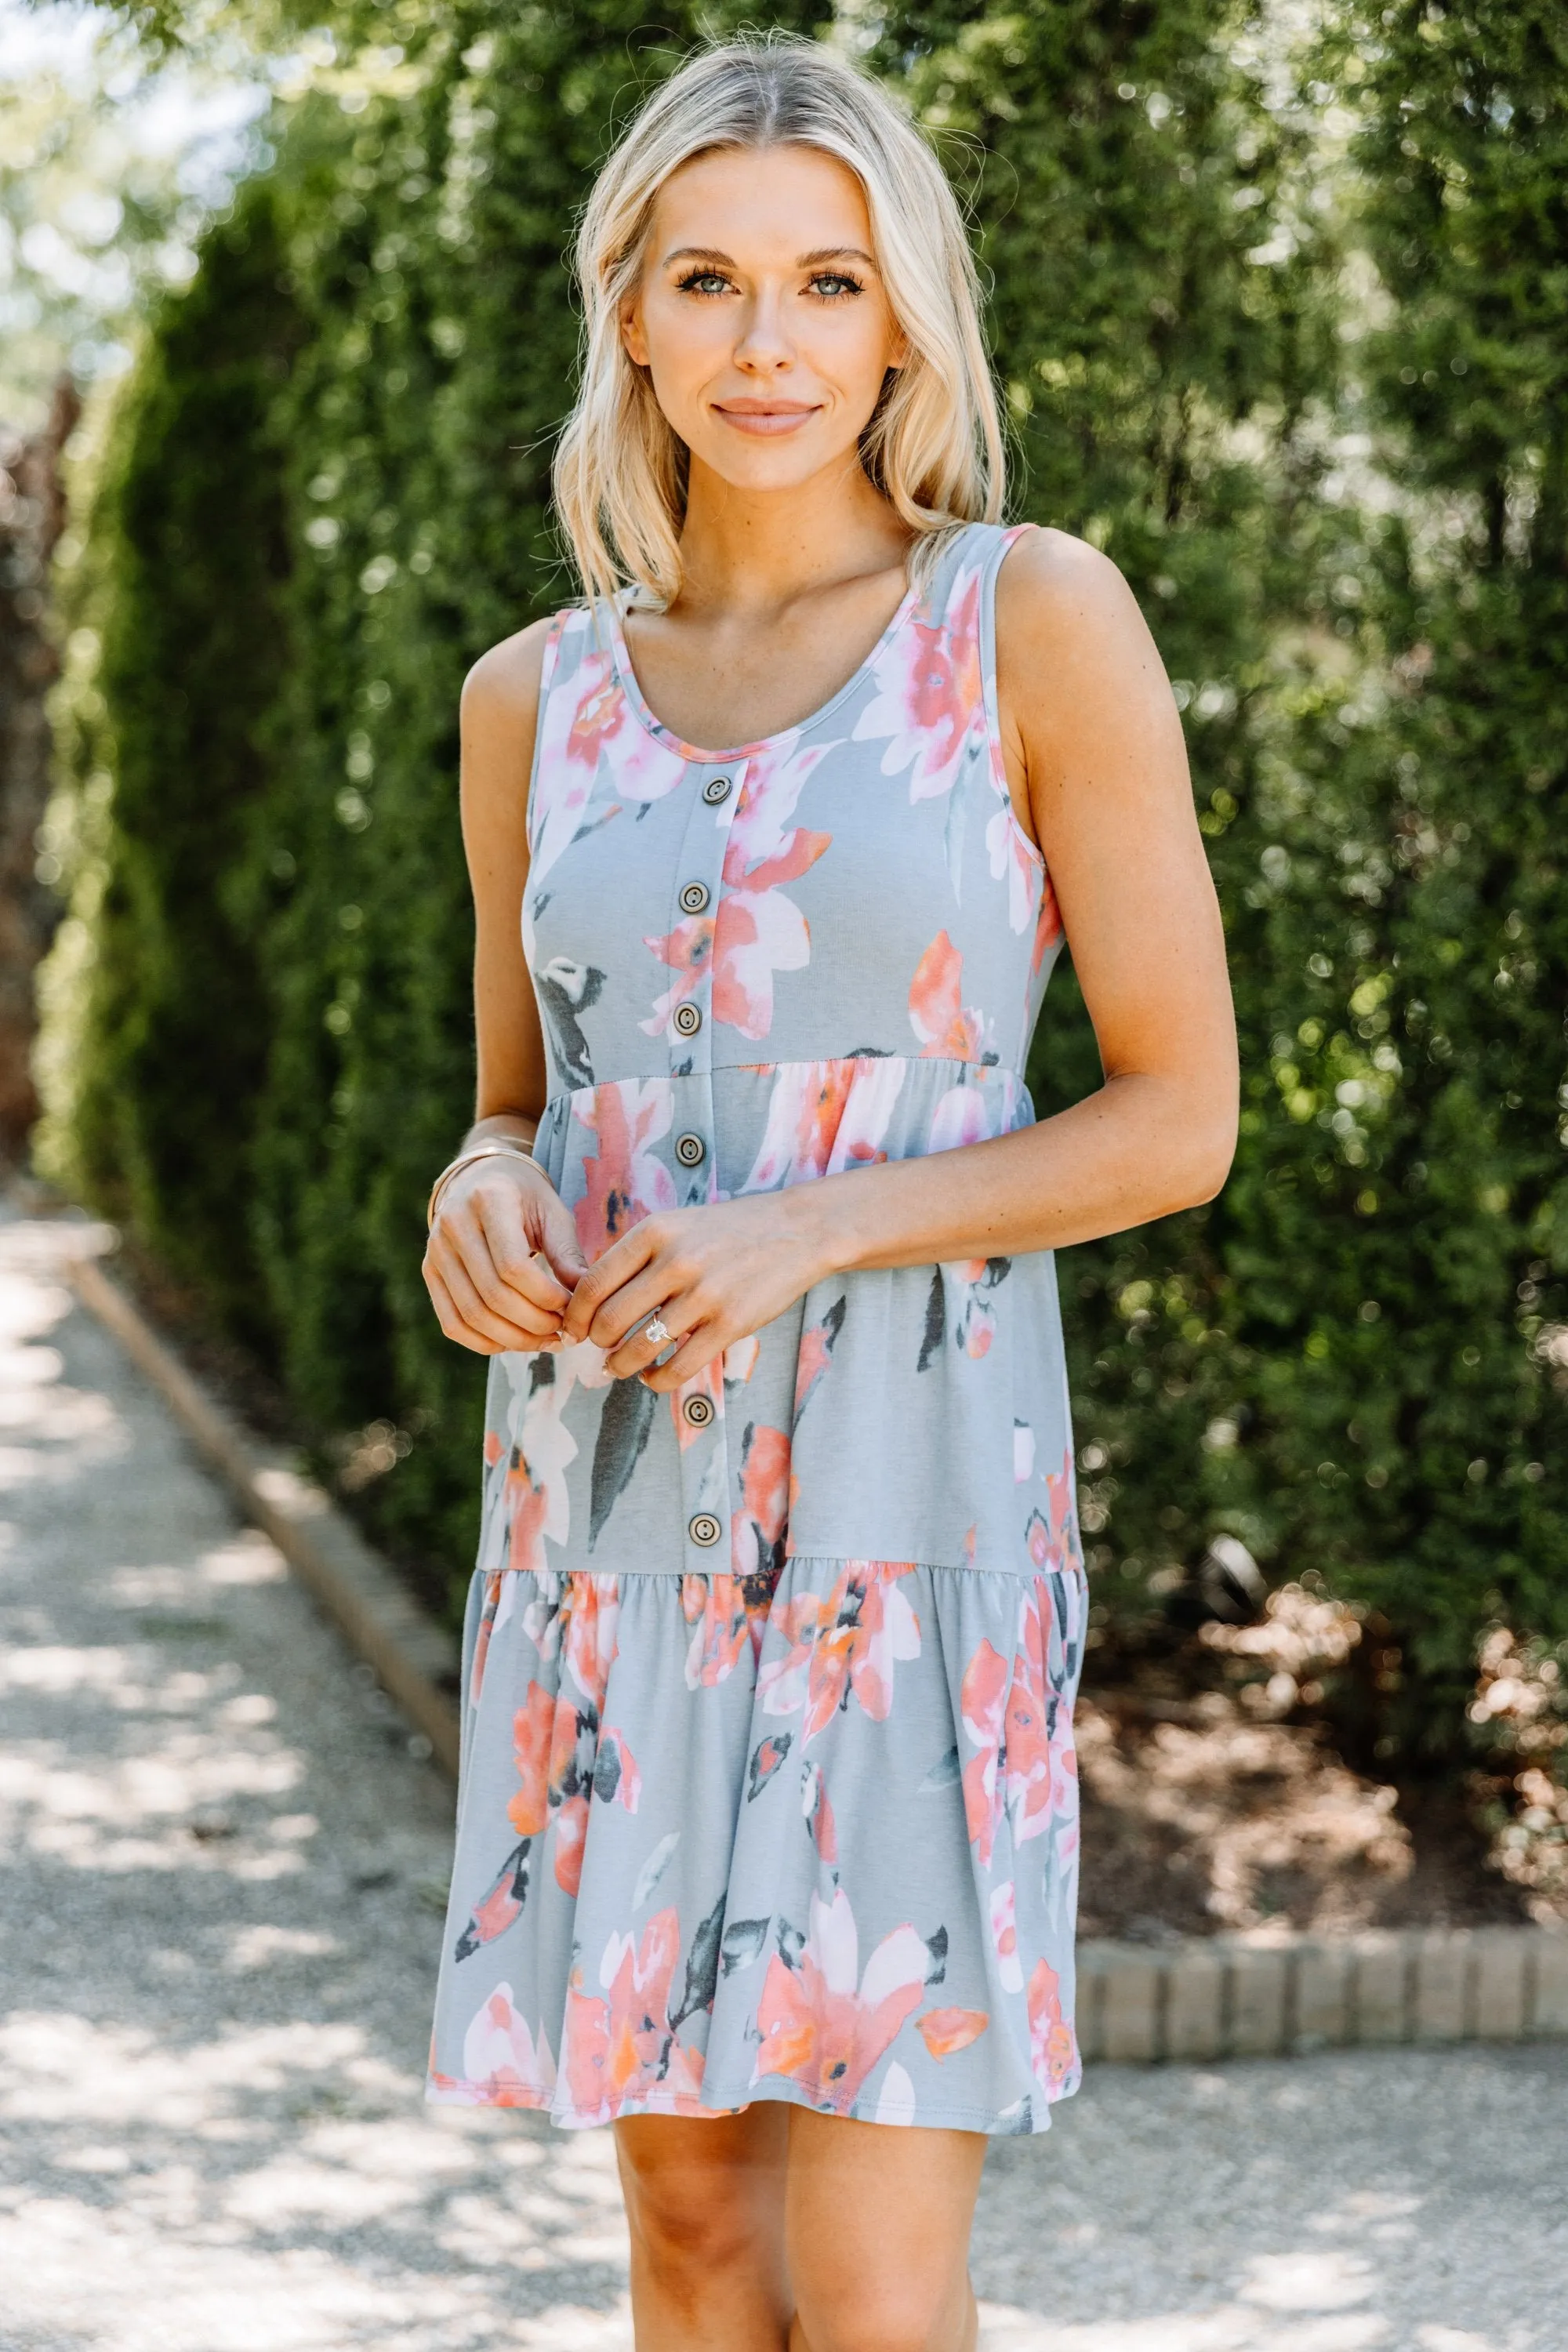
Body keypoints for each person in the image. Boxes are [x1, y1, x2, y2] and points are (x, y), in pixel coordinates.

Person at [420, 34, 1236, 2352]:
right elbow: (512, 1096)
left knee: (877, 2290)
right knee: (687, 2239)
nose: (767, 344)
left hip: (914, 1527)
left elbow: (1179, 1117)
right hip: (608, 1527)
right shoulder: (532, 700)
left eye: (825, 283)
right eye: (710, 281)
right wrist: (476, 1194)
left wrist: (814, 1222)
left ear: (905, 324)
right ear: (631, 316)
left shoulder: (1032, 618)